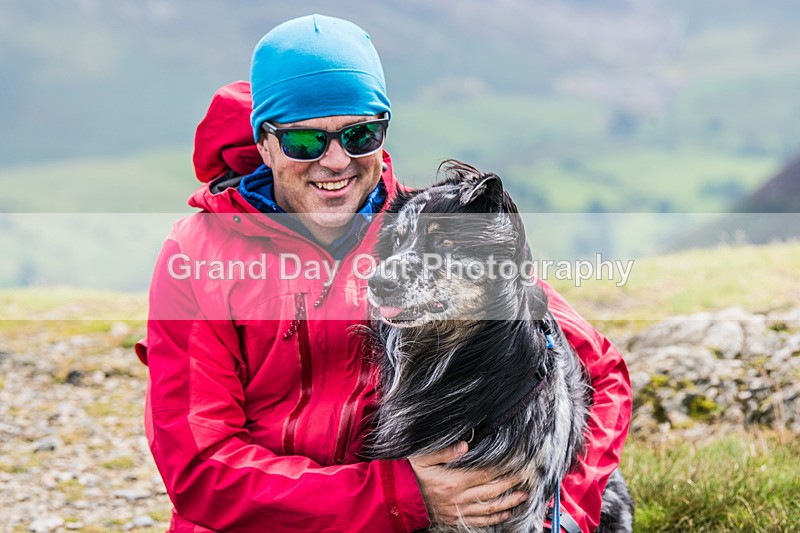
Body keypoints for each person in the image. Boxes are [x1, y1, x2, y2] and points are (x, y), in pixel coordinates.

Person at [136, 14, 631, 532]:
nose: (335, 161)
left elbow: (599, 372)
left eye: (360, 135)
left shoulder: (431, 229)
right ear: (264, 143)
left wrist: (563, 507)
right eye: (305, 143)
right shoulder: (197, 259)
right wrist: (399, 497)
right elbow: (199, 468)